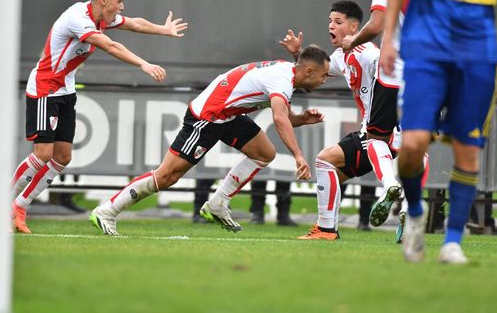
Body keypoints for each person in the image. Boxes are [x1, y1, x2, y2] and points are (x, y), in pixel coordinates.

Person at [380, 0, 497, 264]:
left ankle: (452, 242)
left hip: (478, 55)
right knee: (412, 145)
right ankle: (415, 212)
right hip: (423, 52)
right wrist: (389, 38)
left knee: (467, 150)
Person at [89, 45, 331, 235]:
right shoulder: (282, 80)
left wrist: (300, 119)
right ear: (308, 71)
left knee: (264, 153)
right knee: (167, 177)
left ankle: (217, 204)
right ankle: (107, 211)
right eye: (324, 75)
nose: (325, 80)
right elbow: (279, 119)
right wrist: (299, 156)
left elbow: (286, 117)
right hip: (208, 116)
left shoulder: (285, 74)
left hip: (229, 115)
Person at [10, 0, 188, 233]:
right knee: (42, 155)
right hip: (45, 89)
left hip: (65, 90)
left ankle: (20, 208)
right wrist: (143, 64)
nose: (122, 7)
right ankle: (2, 207)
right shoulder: (77, 17)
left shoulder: (102, 17)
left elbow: (135, 23)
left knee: (62, 157)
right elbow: (110, 45)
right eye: (120, 0)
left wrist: (163, 29)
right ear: (103, 0)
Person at [281, 1, 413, 240]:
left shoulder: (369, 54)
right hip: (376, 132)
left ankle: (326, 229)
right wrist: (296, 54)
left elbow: (393, 73)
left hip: (380, 133)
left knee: (324, 161)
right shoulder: (342, 55)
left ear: (355, 27)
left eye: (338, 22)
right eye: (330, 21)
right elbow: (318, 71)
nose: (331, 26)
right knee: (332, 175)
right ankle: (405, 210)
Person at [341, 0, 431, 242]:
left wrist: (353, 40)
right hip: (427, 75)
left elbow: (377, 25)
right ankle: (408, 208)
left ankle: (390, 184)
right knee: (417, 146)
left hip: (392, 74)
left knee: (376, 137)